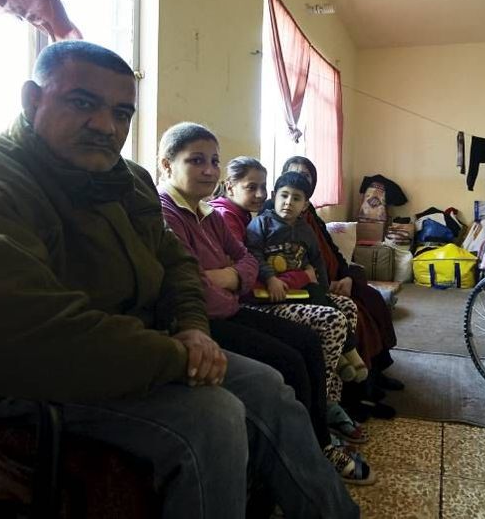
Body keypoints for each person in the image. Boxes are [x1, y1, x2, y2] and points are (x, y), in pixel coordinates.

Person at [0, 40, 359, 518]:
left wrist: (194, 328)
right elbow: (13, 332)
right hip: (10, 379)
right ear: (32, 100)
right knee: (212, 417)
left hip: (133, 351)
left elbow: (176, 263)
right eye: (82, 103)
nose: (105, 125)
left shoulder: (125, 179)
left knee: (265, 384)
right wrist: (177, 356)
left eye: (121, 112)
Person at [156, 121, 374, 484]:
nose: (209, 170)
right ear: (166, 165)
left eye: (213, 160)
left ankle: (321, 431)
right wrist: (235, 277)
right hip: (206, 321)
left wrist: (228, 275)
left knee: (306, 341)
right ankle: (314, 450)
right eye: (196, 161)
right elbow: (191, 284)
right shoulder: (167, 214)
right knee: (288, 359)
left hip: (233, 307)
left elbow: (243, 258)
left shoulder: (207, 213)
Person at [212, 161, 370, 444]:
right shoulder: (236, 219)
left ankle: (330, 401)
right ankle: (320, 407)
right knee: (332, 319)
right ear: (230, 185)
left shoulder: (280, 222)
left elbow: (317, 260)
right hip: (258, 299)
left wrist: (317, 281)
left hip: (284, 290)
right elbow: (250, 269)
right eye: (253, 187)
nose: (261, 195)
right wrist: (300, 277)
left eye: (263, 188)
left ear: (306, 204)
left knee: (347, 306)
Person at [280, 156, 404, 417]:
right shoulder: (282, 213)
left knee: (373, 298)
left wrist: (346, 276)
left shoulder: (310, 211)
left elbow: (333, 251)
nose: (302, 178)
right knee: (359, 315)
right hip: (316, 286)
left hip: (337, 277)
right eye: (296, 173)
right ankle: (360, 391)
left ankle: (377, 371)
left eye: (307, 175)